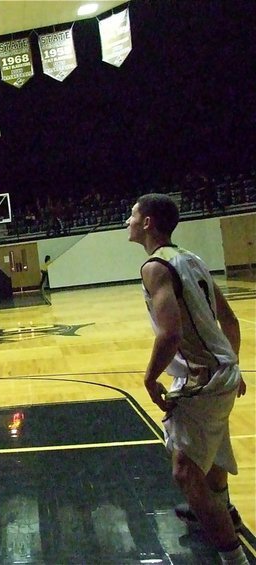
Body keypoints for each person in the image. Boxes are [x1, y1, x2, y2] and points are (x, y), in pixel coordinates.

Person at [126, 193, 248, 565]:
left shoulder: (154, 267)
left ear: (147, 222)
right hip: (222, 372)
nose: (127, 221)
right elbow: (229, 320)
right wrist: (233, 365)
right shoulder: (191, 258)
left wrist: (149, 380)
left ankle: (233, 558)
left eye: (132, 214)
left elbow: (170, 334)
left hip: (204, 379)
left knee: (185, 471)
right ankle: (222, 512)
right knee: (212, 453)